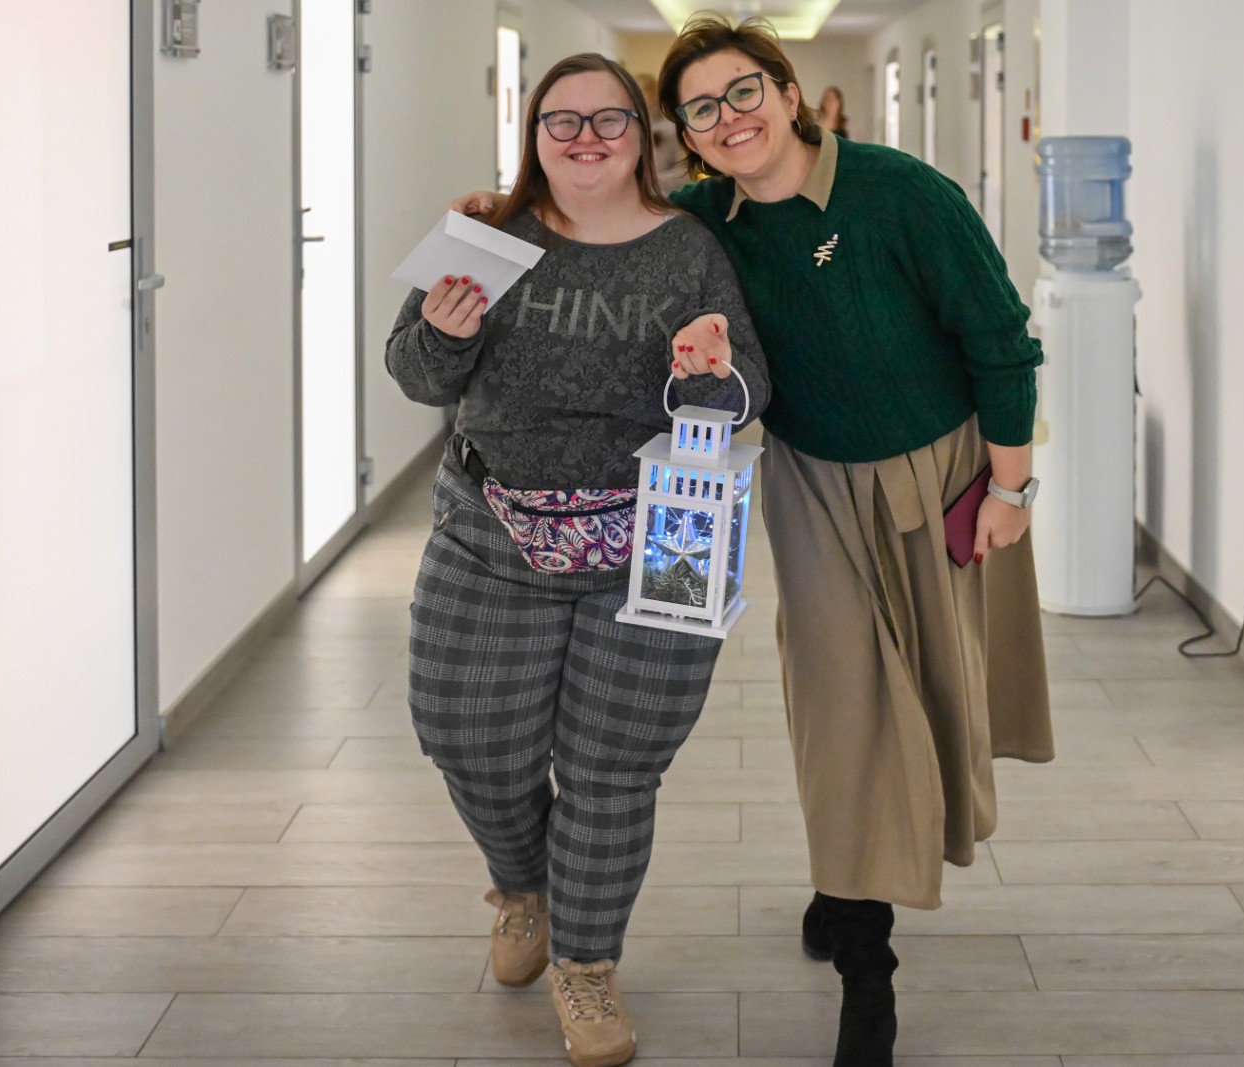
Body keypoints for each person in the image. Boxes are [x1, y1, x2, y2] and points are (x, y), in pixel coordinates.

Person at [449, 17, 1052, 1066]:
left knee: (937, 694)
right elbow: (597, 213)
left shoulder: (902, 193)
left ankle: (845, 882)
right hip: (811, 482)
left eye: (743, 93)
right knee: (842, 708)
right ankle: (867, 962)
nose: (728, 119)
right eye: (700, 108)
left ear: (787, 91)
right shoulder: (700, 221)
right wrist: (491, 219)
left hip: (947, 472)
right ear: (681, 135)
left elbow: (1000, 339)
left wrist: (1012, 486)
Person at [387, 52, 769, 1067]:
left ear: (643, 135)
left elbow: (747, 391)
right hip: (489, 528)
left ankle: (587, 964)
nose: (587, 138)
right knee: (465, 734)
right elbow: (414, 373)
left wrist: (709, 372)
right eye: (564, 120)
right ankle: (524, 887)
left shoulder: (688, 248)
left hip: (662, 536)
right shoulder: (483, 233)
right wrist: (443, 332)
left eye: (610, 119)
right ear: (533, 134)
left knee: (613, 769)